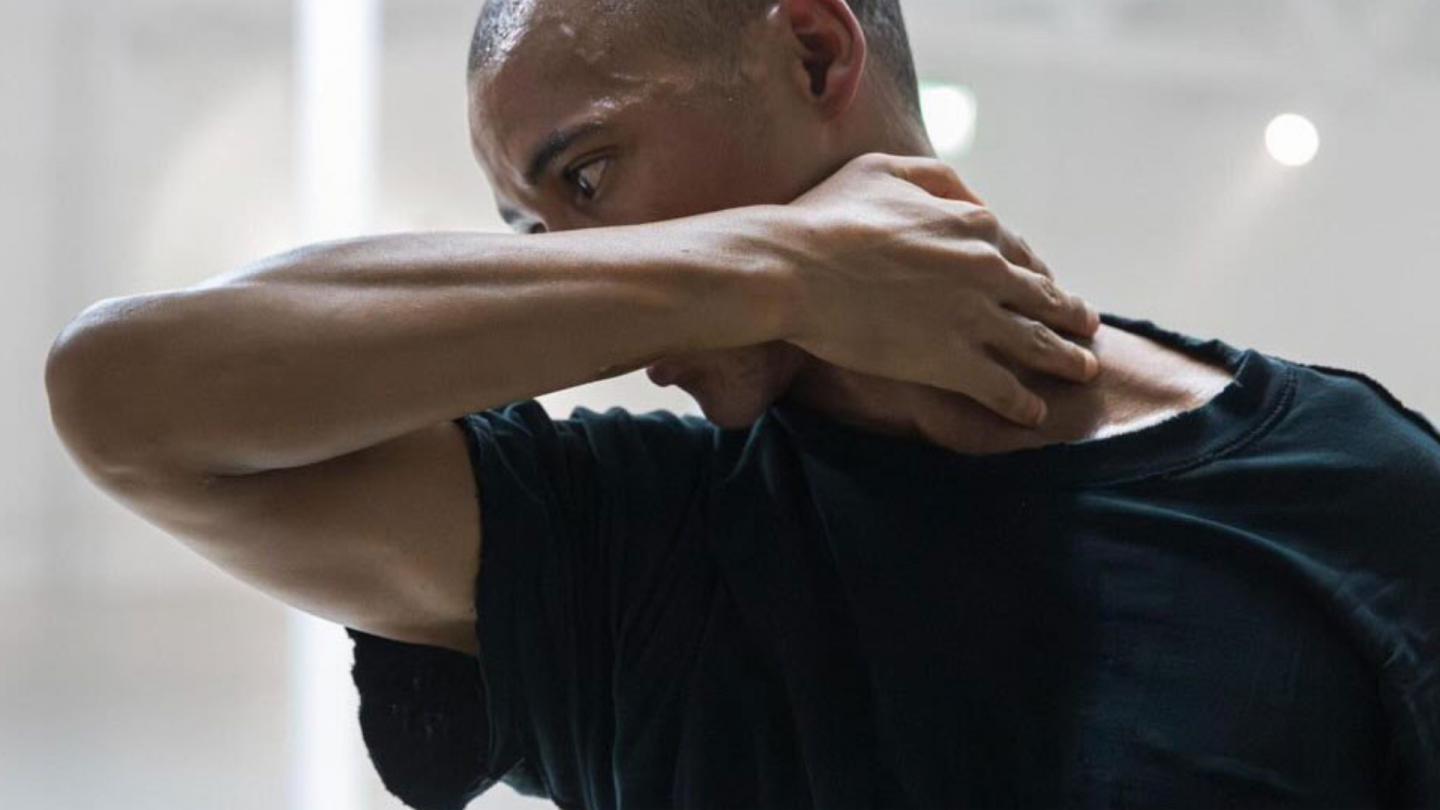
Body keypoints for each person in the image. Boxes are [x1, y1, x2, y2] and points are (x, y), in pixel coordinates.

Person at [43, 0, 1439, 808]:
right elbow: (125, 391)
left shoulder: (1345, 481)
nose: (584, 266)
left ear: (819, 55)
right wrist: (777, 266)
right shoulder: (632, 541)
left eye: (586, 179)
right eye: (533, 235)